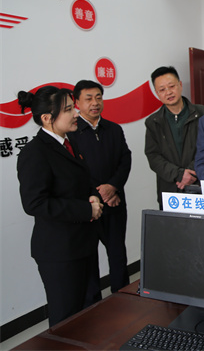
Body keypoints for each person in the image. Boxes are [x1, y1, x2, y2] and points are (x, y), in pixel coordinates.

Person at [16, 86, 103, 327]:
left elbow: (83, 180)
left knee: (90, 311)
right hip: (59, 252)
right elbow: (35, 203)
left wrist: (94, 196)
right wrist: (85, 210)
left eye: (73, 107)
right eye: (68, 110)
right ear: (47, 118)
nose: (76, 113)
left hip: (83, 243)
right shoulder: (35, 153)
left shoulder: (69, 142)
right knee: (67, 320)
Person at [69, 80, 132, 293]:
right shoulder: (71, 133)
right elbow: (75, 172)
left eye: (98, 97)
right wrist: (100, 193)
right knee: (89, 259)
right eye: (88, 99)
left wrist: (113, 186)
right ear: (77, 103)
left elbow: (125, 160)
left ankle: (122, 297)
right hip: (87, 207)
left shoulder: (114, 129)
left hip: (115, 203)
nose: (95, 103)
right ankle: (93, 304)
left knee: (118, 254)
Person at [145, 66, 204, 207]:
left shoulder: (203, 113)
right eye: (162, 89)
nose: (168, 92)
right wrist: (179, 174)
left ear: (180, 85)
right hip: (170, 189)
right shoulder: (153, 122)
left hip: (200, 187)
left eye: (171, 86)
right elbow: (153, 156)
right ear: (157, 93)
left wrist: (191, 173)